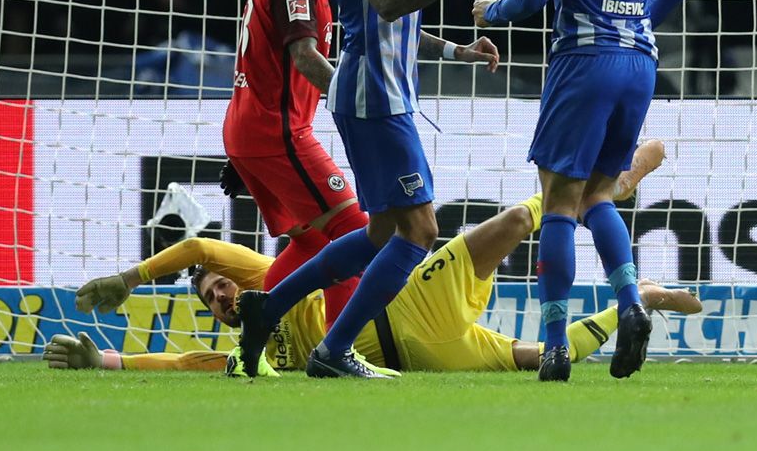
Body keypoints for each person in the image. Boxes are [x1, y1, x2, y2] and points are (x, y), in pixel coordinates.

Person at [237, 0, 517, 379]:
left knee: (381, 233)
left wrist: (456, 52)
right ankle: (334, 350)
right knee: (421, 231)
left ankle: (268, 307)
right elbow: (388, 4)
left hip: (390, 97)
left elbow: (398, 27)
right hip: (372, 101)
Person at [49, 142, 697, 374]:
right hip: (424, 356)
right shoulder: (255, 351)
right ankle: (643, 301)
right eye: (213, 301)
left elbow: (197, 248)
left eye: (218, 288)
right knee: (536, 360)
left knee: (507, 222)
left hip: (410, 297)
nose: (221, 297)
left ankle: (605, 188)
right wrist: (106, 360)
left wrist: (132, 277)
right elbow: (185, 360)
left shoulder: (264, 284)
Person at [473, 0, 688, 382]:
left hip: (585, 62)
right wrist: (633, 22)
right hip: (640, 62)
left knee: (559, 200)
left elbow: (529, 0)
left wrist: (486, 11)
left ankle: (553, 346)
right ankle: (630, 304)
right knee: (600, 195)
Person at [219, 0, 365, 326]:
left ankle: (251, 327)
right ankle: (337, 350)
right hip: (276, 132)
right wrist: (355, 104)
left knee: (313, 242)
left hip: (250, 130)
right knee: (354, 232)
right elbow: (304, 57)